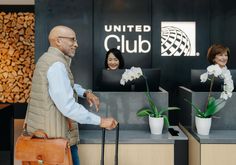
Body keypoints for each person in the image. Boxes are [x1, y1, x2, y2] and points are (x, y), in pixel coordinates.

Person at [24, 25, 118, 165]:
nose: (76, 44)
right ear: (58, 41)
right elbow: (68, 107)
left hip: (45, 135)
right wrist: (101, 121)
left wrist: (85, 93)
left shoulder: (46, 59)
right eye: (72, 40)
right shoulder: (57, 65)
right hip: (57, 141)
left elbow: (62, 86)